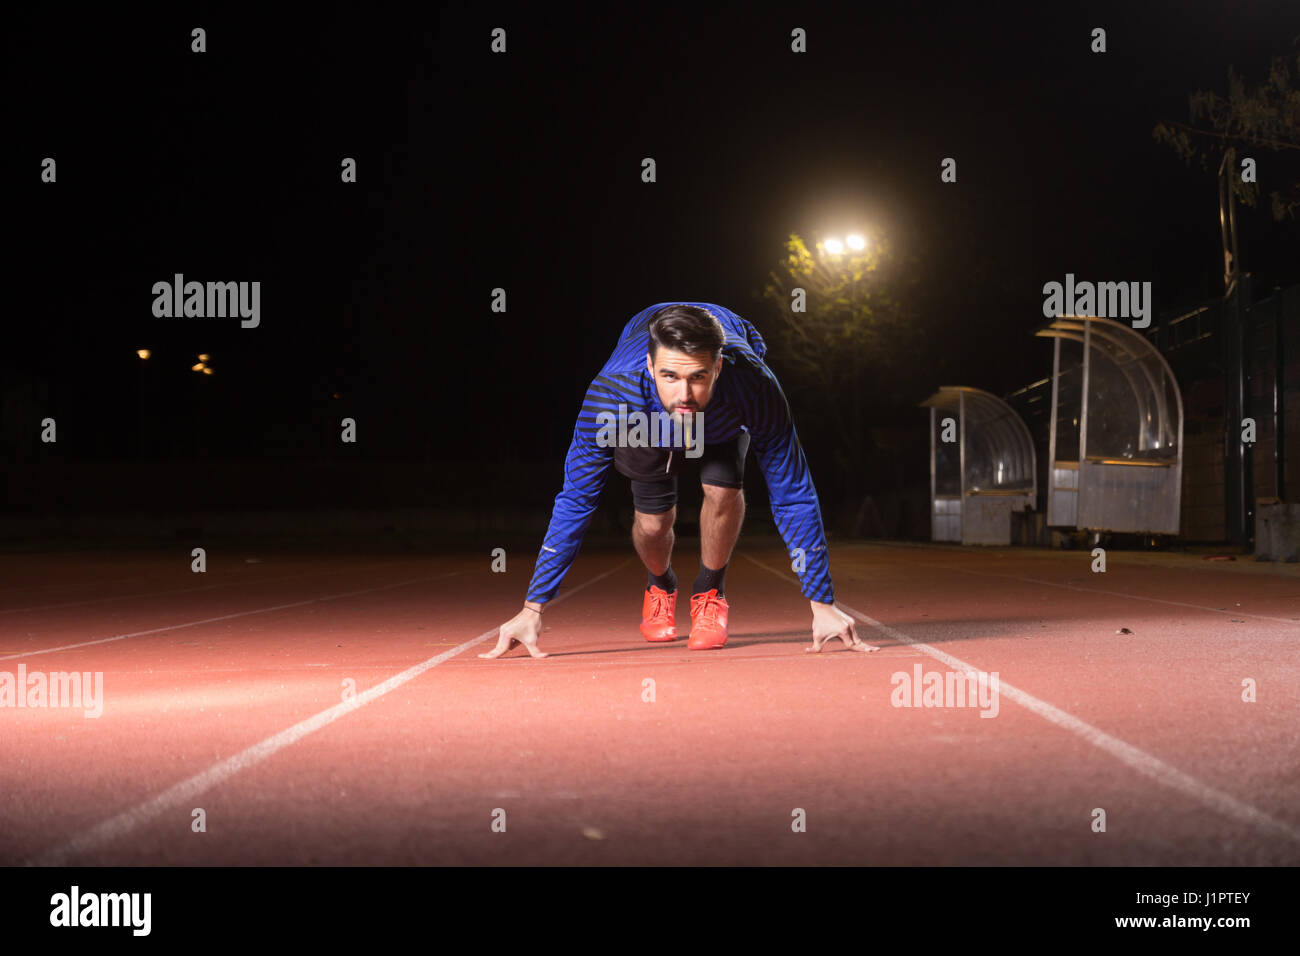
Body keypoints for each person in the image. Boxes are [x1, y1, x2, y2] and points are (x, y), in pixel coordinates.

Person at [481, 302, 871, 659]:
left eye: (698, 376)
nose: (684, 394)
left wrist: (821, 601)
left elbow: (793, 494)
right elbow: (576, 500)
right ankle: (660, 585)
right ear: (650, 367)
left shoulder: (753, 387)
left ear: (718, 367)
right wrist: (533, 606)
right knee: (653, 525)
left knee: (722, 491)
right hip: (643, 423)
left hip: (721, 421)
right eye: (670, 375)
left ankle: (710, 592)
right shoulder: (612, 399)